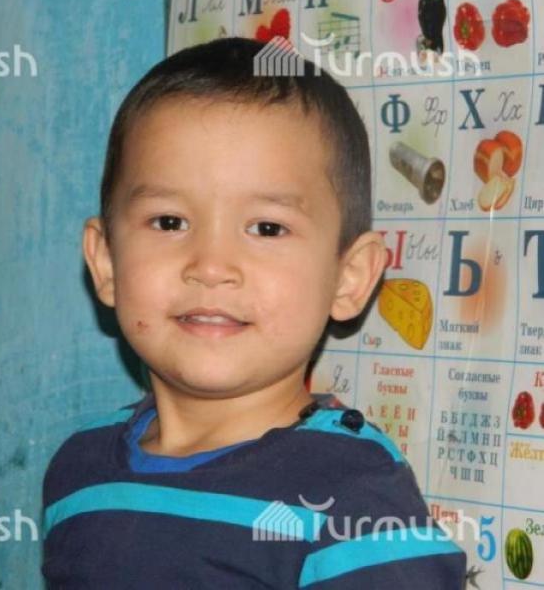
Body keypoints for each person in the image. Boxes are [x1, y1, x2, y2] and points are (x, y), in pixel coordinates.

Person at [40, 37, 467, 588]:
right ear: (105, 263)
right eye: (169, 222)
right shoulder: (78, 471)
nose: (211, 266)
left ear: (349, 277)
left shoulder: (353, 499)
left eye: (267, 228)